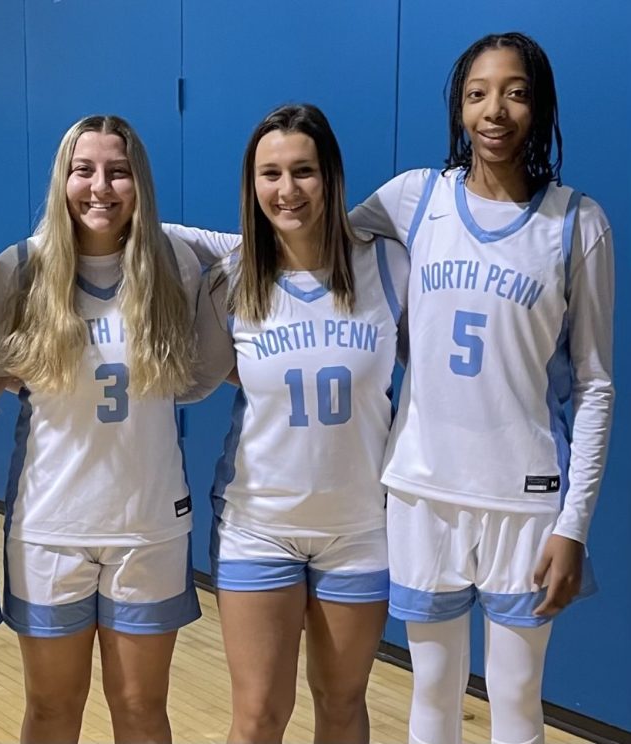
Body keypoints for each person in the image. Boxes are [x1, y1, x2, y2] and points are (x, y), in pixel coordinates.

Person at [348, 32, 614, 744]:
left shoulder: (577, 224)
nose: (494, 111)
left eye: (515, 92)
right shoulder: (415, 198)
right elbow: (310, 248)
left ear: (541, 107)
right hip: (422, 490)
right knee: (430, 692)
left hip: (523, 502)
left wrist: (572, 525)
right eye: (477, 94)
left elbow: (595, 385)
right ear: (459, 109)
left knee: (516, 699)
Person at [179, 103, 408, 744]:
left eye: (303, 171)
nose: (287, 190)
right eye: (270, 174)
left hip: (359, 529)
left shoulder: (388, 266)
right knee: (258, 716)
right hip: (260, 527)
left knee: (341, 706)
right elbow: (207, 377)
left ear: (331, 175)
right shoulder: (232, 281)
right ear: (251, 187)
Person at [0, 114, 202, 744]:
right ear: (63, 179)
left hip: (149, 528)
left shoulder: (175, 264)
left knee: (139, 709)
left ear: (141, 182)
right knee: (52, 711)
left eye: (118, 171)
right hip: (51, 528)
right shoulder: (19, 270)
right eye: (84, 170)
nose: (100, 186)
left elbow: (254, 248)